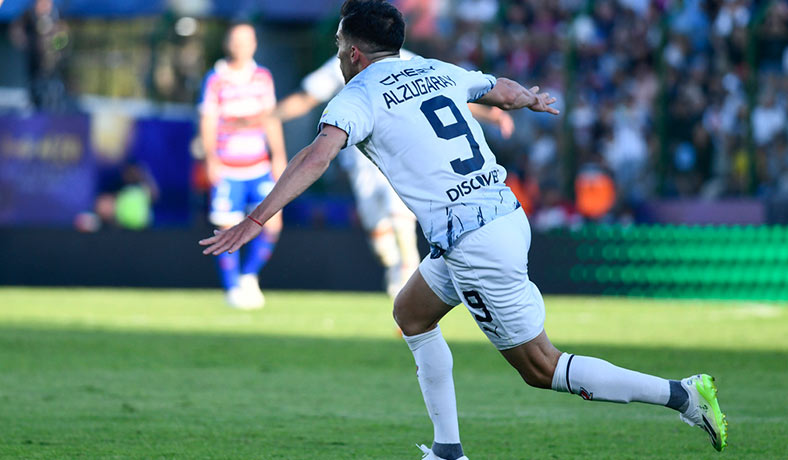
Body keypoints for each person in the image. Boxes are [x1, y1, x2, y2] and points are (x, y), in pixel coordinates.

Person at [200, 1, 727, 457]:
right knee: (410, 311)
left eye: (340, 45)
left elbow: (315, 158)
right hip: (495, 216)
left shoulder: (355, 96)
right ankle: (448, 450)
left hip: (474, 242)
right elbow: (498, 88)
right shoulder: (434, 68)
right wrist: (530, 100)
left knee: (541, 367)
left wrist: (255, 217)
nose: (339, 55)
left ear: (354, 52)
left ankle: (682, 394)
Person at [275, 51, 514, 297]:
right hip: (362, 163)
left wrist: (490, 114)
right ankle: (394, 270)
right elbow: (307, 98)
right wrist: (269, 116)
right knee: (380, 239)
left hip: (401, 156)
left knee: (401, 221)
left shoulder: (410, 62)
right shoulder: (344, 64)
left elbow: (444, 94)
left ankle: (406, 291)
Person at [199, 22, 287, 309]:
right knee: (226, 227)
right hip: (227, 166)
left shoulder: (262, 77)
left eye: (247, 40)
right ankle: (232, 288)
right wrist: (211, 158)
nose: (241, 46)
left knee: (273, 223)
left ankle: (249, 276)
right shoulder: (216, 78)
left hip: (259, 165)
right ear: (228, 43)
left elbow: (270, 118)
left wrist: (278, 155)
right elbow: (208, 120)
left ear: (254, 44)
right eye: (236, 40)